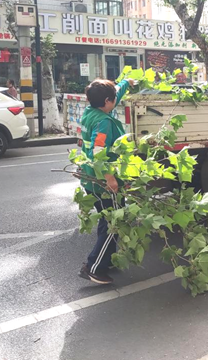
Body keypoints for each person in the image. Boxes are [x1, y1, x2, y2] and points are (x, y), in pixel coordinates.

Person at [78, 77, 135, 285]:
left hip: (91, 179)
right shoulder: (104, 122)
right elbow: (98, 152)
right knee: (113, 223)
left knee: (108, 220)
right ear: (107, 102)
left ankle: (105, 260)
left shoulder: (91, 113)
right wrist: (110, 178)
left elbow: (114, 95)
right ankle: (94, 267)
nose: (115, 103)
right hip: (102, 182)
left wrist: (125, 83)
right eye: (113, 100)